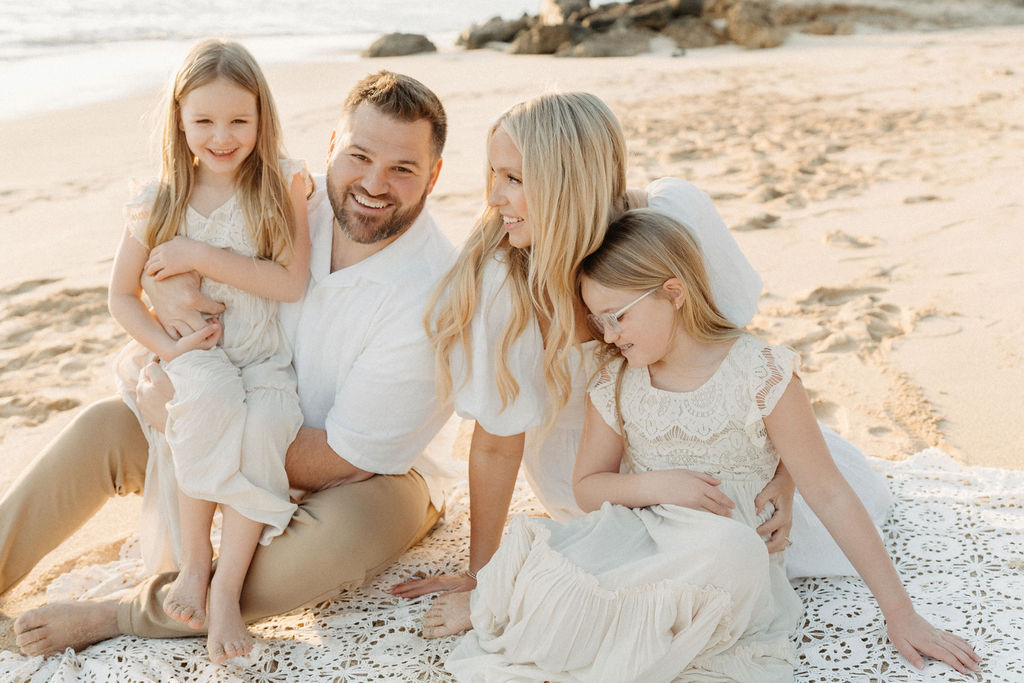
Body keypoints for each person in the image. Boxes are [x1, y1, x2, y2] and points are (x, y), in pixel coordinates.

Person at [391, 92, 892, 634]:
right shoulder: (506, 286)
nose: (494, 197)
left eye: (513, 178)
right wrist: (481, 572)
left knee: (812, 522)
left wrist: (786, 476)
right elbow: (495, 443)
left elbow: (744, 367)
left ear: (568, 182)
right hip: (594, 476)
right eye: (495, 174)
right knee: (648, 577)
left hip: (717, 444)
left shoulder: (669, 217)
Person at [6, 68, 456, 658]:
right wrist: (167, 288)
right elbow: (182, 250)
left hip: (366, 473)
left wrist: (187, 417)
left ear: (435, 174)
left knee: (338, 541)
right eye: (358, 156)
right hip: (234, 404)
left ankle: (125, 613)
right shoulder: (286, 197)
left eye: (403, 168)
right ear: (330, 148)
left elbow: (343, 459)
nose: (373, 184)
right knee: (102, 429)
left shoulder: (434, 294)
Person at [445, 209, 981, 681]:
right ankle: (514, 604)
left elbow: (831, 492)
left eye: (618, 317)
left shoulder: (762, 373)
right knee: (556, 557)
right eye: (598, 321)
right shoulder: (615, 381)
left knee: (733, 550)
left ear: (673, 293)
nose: (607, 336)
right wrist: (659, 485)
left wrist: (900, 613)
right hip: (644, 540)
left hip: (725, 562)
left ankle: (575, 616)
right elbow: (587, 489)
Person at [106, 38, 311, 663]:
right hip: (195, 356)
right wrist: (167, 348)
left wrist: (198, 256)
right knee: (209, 402)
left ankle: (229, 586)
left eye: (238, 121)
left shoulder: (280, 184)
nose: (221, 137)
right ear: (179, 121)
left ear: (261, 118)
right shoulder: (159, 198)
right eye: (204, 122)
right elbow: (119, 297)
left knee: (267, 427)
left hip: (264, 356)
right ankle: (197, 561)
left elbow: (290, 282)